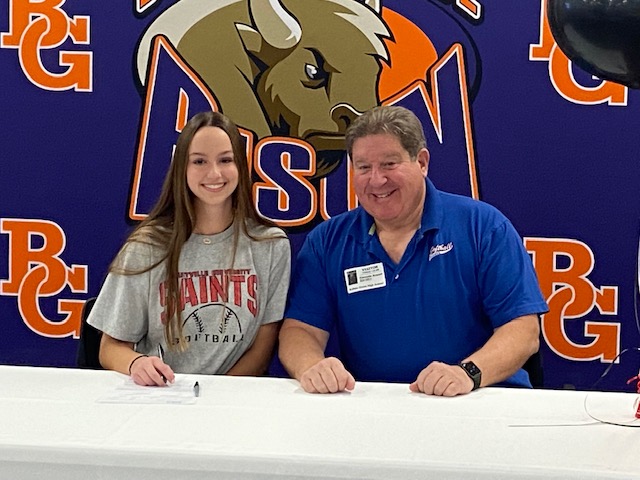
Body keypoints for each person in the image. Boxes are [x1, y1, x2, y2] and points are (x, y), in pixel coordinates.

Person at [279, 105, 548, 396]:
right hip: (374, 405)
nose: (376, 180)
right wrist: (311, 366)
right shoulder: (327, 241)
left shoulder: (483, 227)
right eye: (364, 167)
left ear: (421, 162)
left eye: (389, 164)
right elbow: (300, 330)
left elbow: (523, 330)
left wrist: (467, 373)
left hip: (477, 399)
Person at [88, 111, 290, 386]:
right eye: (199, 161)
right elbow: (110, 348)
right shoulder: (147, 246)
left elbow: (262, 350)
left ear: (241, 166)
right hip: (162, 397)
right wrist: (137, 363)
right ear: (182, 168)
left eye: (225, 160)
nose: (214, 173)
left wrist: (214, 397)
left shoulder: (270, 245)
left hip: (232, 400)